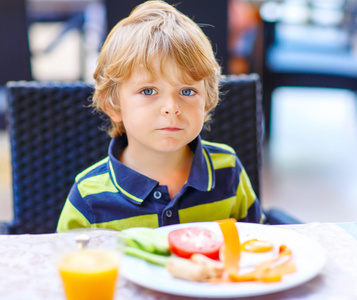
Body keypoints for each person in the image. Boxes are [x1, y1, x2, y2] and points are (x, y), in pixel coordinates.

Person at [57, 0, 264, 232]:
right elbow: (69, 263)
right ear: (112, 104)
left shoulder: (228, 171)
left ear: (207, 100)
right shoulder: (88, 196)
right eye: (148, 91)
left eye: (187, 91)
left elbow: (256, 245)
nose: (171, 107)